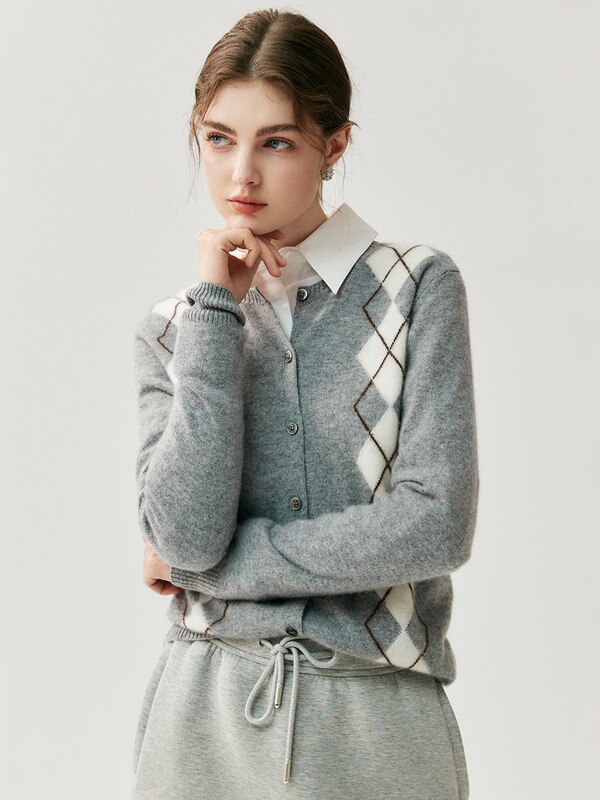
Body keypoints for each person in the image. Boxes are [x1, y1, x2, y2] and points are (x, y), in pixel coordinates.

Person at [132, 9, 478, 800]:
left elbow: (435, 524)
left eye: (277, 142)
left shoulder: (415, 288)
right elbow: (185, 533)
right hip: (204, 716)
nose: (241, 175)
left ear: (335, 146)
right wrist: (216, 311)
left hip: (377, 713)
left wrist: (216, 572)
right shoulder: (175, 329)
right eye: (219, 138)